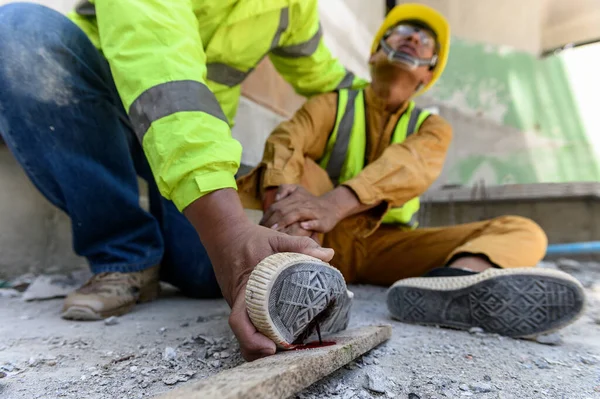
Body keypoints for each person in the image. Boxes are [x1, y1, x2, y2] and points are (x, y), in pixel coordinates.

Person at [0, 0, 365, 361]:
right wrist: (227, 231)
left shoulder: (293, 7)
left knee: (205, 277)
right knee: (19, 30)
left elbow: (327, 80)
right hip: (102, 109)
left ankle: (161, 241)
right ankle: (125, 253)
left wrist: (386, 97)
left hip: (195, 137)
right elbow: (161, 70)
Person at [238, 3, 586, 338]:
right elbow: (287, 142)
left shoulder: (431, 127)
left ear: (427, 74)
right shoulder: (332, 103)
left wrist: (333, 204)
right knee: (295, 170)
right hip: (320, 240)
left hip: (389, 247)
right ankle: (300, 284)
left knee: (522, 230)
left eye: (425, 42)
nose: (414, 39)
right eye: (402, 31)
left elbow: (408, 165)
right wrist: (282, 203)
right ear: (374, 53)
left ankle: (455, 283)